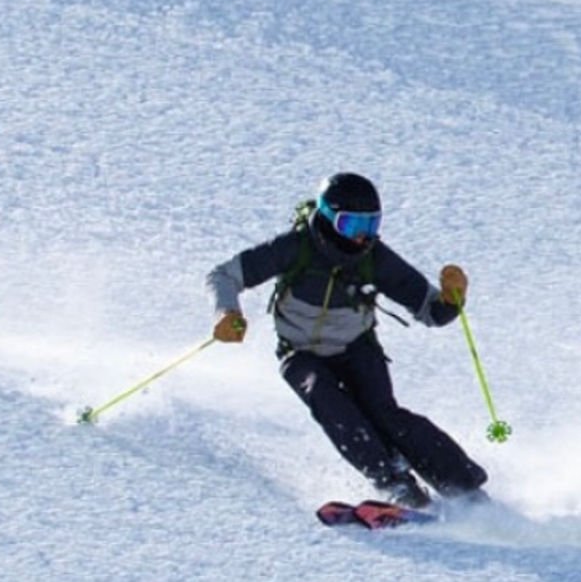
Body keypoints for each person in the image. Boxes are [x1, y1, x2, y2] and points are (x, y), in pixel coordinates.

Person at [206, 171, 488, 509]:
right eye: (351, 226)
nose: (361, 238)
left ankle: (463, 486)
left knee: (385, 414)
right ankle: (395, 483)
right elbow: (223, 275)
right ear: (326, 220)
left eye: (370, 226)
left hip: (357, 348)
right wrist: (226, 313)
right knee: (331, 405)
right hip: (301, 353)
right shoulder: (295, 248)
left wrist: (451, 299)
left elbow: (430, 310)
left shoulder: (375, 258)